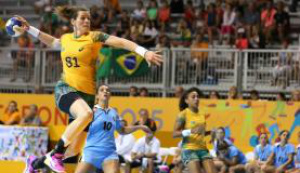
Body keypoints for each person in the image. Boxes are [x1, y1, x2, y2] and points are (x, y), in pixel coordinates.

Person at [17, 5, 162, 173]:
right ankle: (55, 156)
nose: (87, 21)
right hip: (66, 89)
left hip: (86, 97)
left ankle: (34, 163)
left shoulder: (94, 37)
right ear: (73, 21)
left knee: (73, 150)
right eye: (82, 18)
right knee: (86, 114)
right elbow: (52, 41)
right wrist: (29, 29)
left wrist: (143, 52)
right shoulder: (66, 38)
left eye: (88, 18)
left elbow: (121, 42)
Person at [74, 85, 151, 173]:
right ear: (97, 95)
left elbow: (122, 130)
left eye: (107, 90)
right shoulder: (90, 111)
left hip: (109, 153)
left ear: (110, 95)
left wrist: (140, 127)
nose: (105, 91)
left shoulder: (113, 113)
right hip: (91, 152)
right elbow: (78, 129)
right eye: (102, 90)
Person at [173, 87, 217, 173]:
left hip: (202, 149)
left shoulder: (202, 114)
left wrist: (210, 132)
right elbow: (174, 134)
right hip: (189, 149)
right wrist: (190, 131)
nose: (196, 99)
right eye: (193, 97)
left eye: (197, 97)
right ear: (186, 100)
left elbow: (200, 133)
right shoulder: (183, 114)